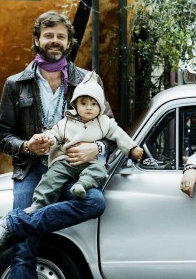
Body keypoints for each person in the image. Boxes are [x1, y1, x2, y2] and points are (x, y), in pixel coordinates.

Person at [0, 11, 115, 279]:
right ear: (37, 40)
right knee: (26, 249)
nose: (54, 41)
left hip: (74, 168)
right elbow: (2, 136)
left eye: (60, 36)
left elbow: (109, 130)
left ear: (69, 42)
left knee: (95, 203)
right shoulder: (16, 84)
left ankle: (13, 223)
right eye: (48, 36)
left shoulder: (88, 80)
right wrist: (27, 146)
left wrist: (96, 148)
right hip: (32, 170)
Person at [22, 72, 144, 213]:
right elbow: (55, 134)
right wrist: (48, 139)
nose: (89, 108)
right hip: (66, 161)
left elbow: (119, 135)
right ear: (75, 104)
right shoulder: (67, 121)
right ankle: (39, 204)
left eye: (94, 104)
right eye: (83, 103)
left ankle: (81, 185)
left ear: (101, 106)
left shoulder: (104, 122)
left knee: (100, 171)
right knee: (50, 179)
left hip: (91, 162)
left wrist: (132, 148)